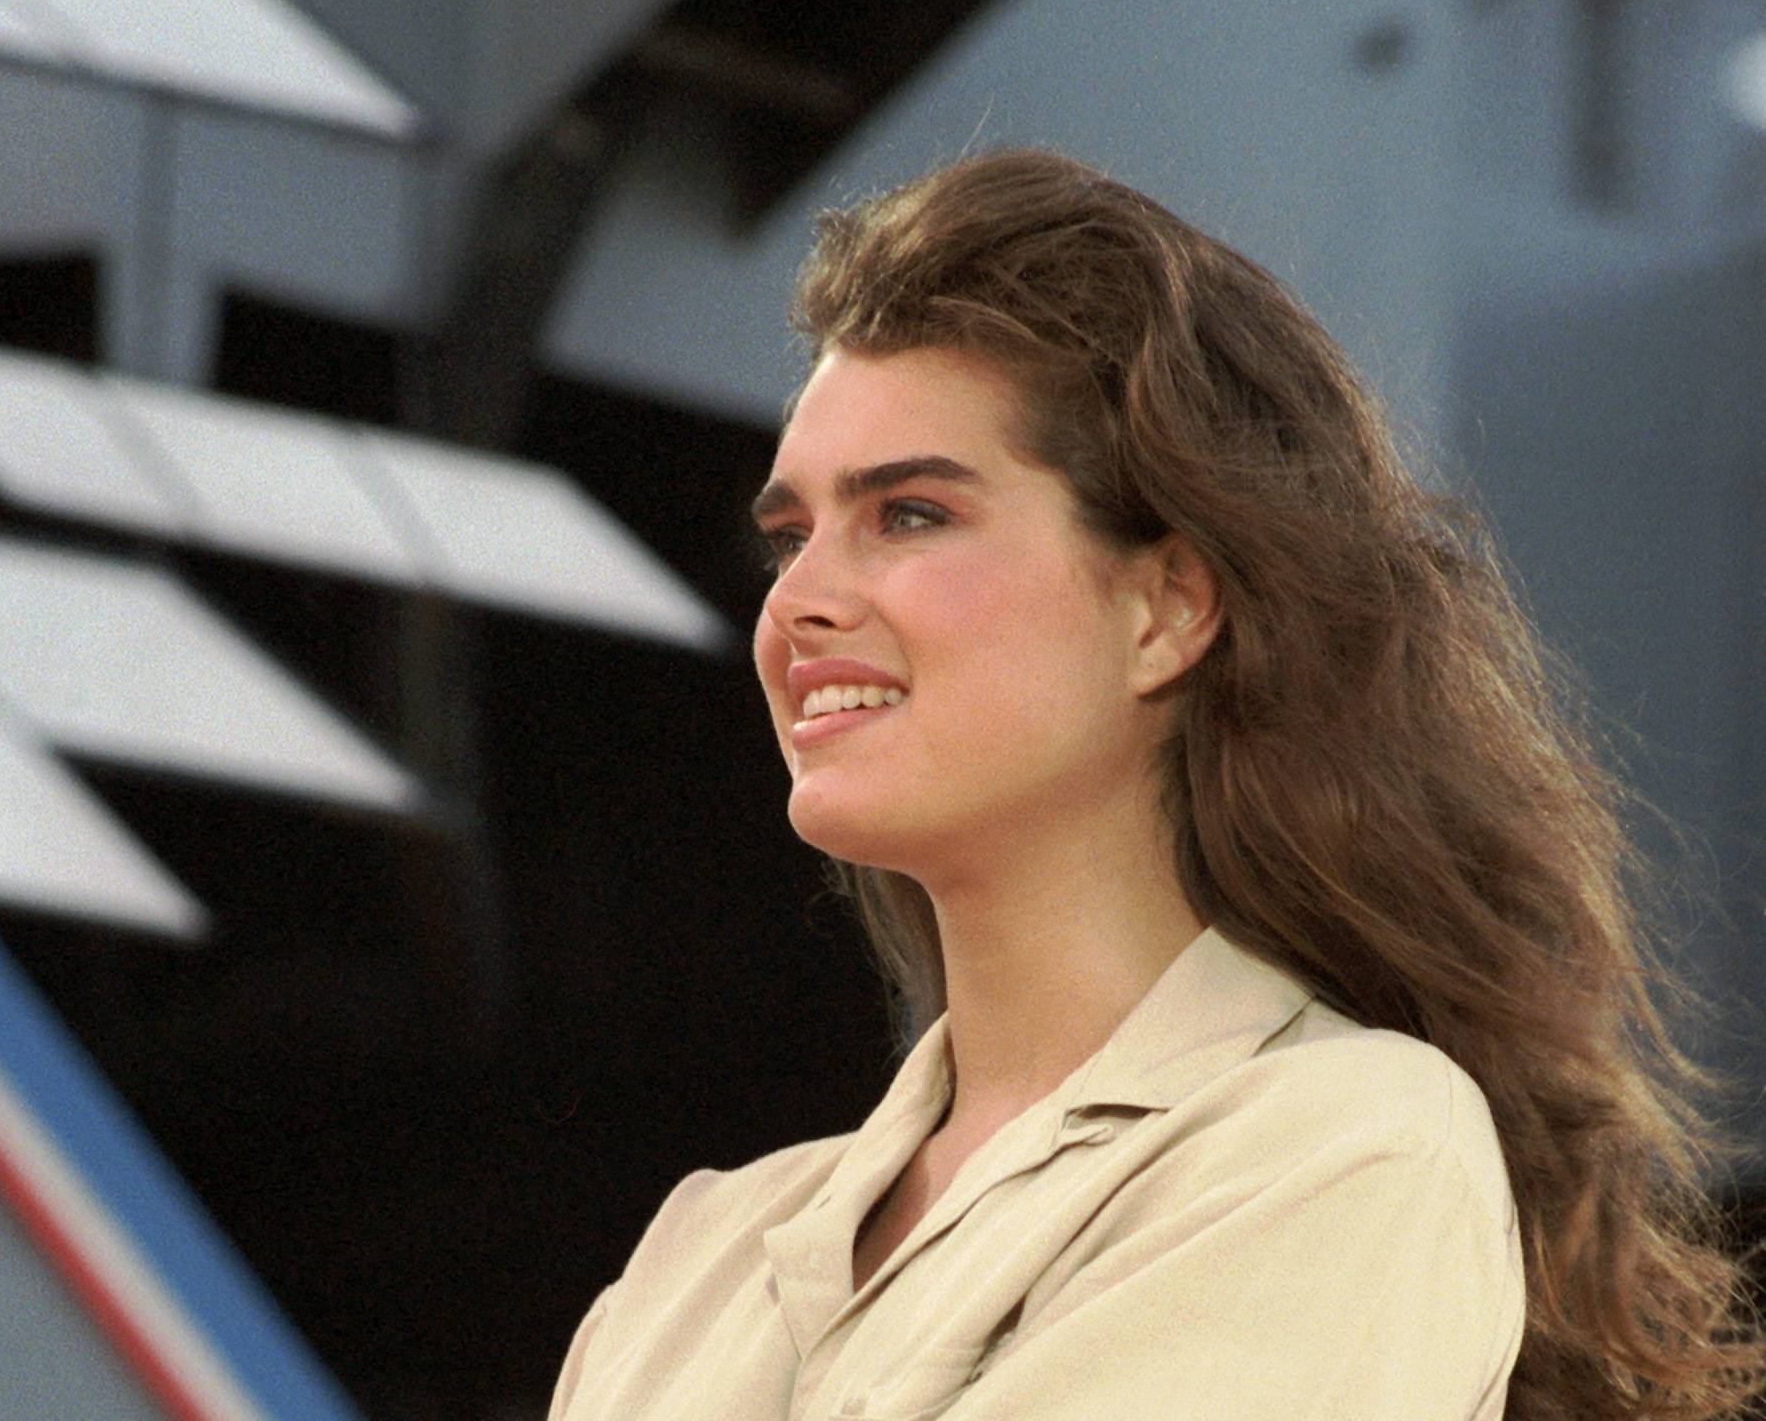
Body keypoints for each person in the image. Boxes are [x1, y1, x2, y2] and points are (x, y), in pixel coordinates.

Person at [547, 150, 1766, 1420]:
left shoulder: (1343, 1145)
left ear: (1167, 607)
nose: (799, 602)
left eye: (908, 514)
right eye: (790, 536)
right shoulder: (697, 1257)